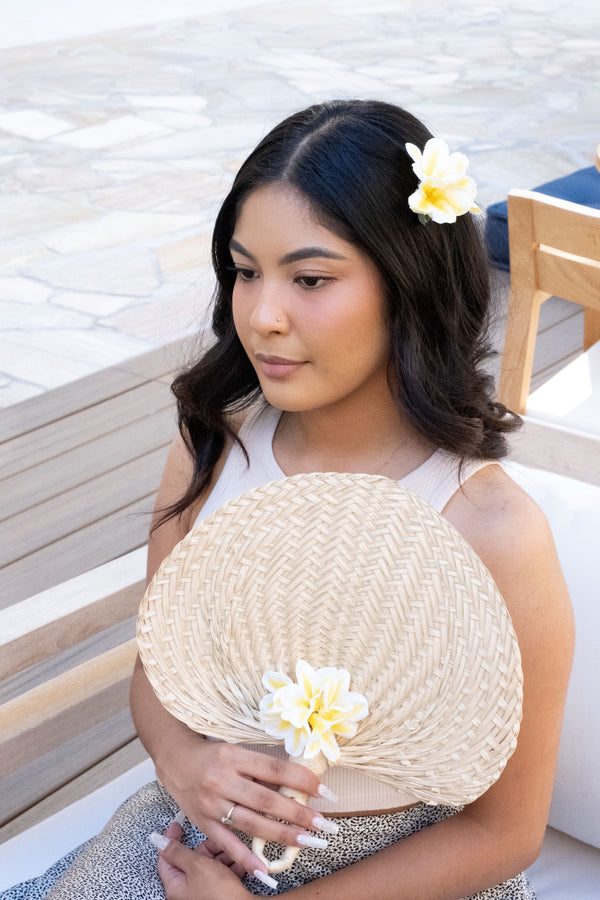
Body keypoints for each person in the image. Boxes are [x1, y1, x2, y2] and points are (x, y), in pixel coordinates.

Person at [3, 99, 574, 900]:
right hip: (198, 828)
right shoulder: (212, 445)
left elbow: (504, 832)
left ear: (407, 283)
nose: (262, 316)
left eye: (309, 279)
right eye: (245, 272)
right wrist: (184, 760)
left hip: (401, 877)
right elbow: (159, 668)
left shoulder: (491, 530)